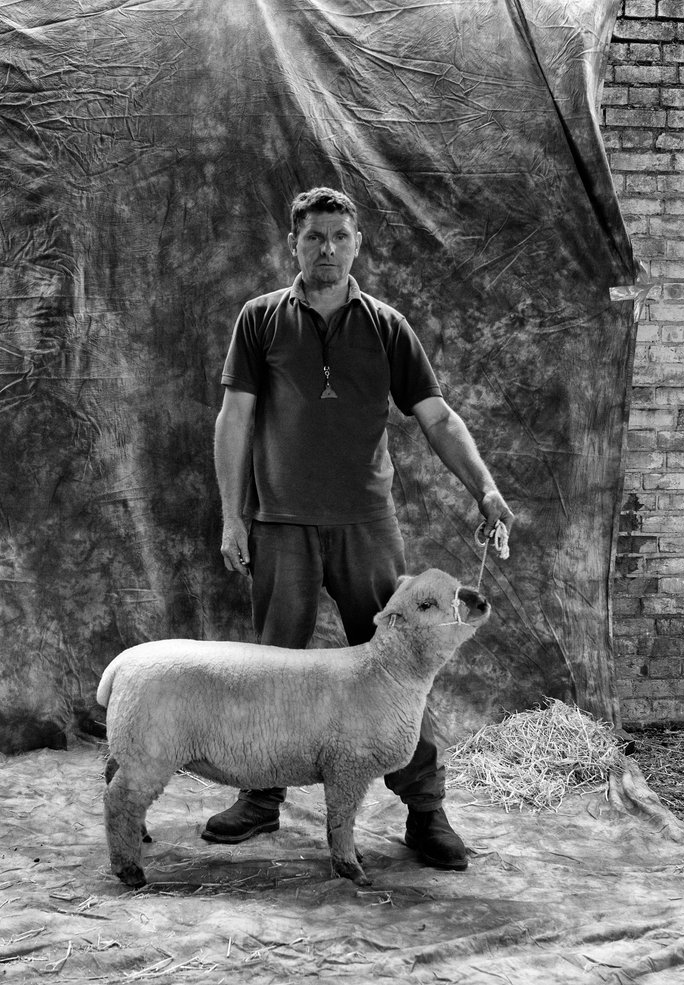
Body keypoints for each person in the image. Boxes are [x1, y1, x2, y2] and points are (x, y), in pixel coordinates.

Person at [207, 186, 514, 871]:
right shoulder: (259, 321)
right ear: (294, 242)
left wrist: (485, 486)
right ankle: (260, 800)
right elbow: (235, 420)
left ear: (356, 244)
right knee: (271, 673)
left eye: (339, 237)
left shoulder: (386, 326)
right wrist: (233, 514)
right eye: (313, 236)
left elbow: (438, 418)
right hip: (280, 522)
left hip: (365, 523)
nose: (326, 248)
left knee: (400, 669)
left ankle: (426, 813)